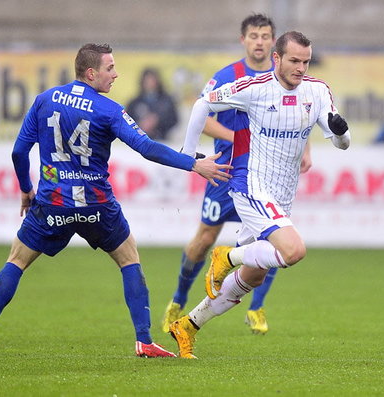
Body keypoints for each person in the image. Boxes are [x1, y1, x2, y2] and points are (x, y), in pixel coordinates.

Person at [0, 43, 231, 358]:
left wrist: (26, 188)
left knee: (17, 260)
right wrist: (193, 164)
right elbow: (146, 147)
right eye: (110, 68)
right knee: (129, 259)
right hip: (97, 205)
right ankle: (144, 341)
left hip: (52, 202)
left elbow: (18, 152)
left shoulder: (44, 101)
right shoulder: (109, 109)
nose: (116, 74)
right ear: (91, 72)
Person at [168, 31, 351, 358]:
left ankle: (188, 326)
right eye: (294, 61)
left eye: (306, 62)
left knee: (252, 276)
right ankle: (227, 256)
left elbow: (340, 142)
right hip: (250, 186)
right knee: (293, 251)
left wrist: (341, 133)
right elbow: (202, 104)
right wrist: (189, 154)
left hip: (281, 197)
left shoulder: (318, 91)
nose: (300, 68)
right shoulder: (252, 88)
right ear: (277, 58)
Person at [161, 13, 312, 336]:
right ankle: (178, 300)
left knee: (271, 244)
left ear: (274, 44)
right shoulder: (229, 76)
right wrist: (245, 138)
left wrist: (305, 149)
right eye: (253, 36)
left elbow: (298, 115)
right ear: (243, 40)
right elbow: (204, 114)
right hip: (228, 169)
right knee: (204, 241)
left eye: (265, 36)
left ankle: (255, 307)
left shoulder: (289, 80)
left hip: (267, 175)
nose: (259, 41)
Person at [126, 67, 179, 141]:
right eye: (147, 80)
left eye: (152, 80)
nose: (150, 83)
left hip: (163, 141)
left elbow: (174, 119)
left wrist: (157, 121)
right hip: (138, 142)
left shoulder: (167, 101)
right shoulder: (134, 103)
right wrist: (139, 125)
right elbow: (126, 121)